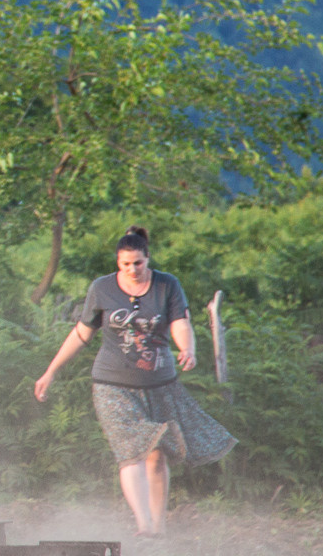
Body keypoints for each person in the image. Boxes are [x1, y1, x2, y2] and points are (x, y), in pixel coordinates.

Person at [33, 225, 236, 537]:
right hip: (111, 383)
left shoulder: (167, 285)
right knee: (130, 452)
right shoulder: (102, 288)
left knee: (156, 458)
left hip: (159, 384)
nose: (132, 269)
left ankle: (159, 527)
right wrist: (51, 371)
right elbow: (81, 334)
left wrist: (188, 349)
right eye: (125, 264)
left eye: (138, 263)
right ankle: (144, 527)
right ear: (117, 261)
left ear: (147, 259)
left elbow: (180, 323)